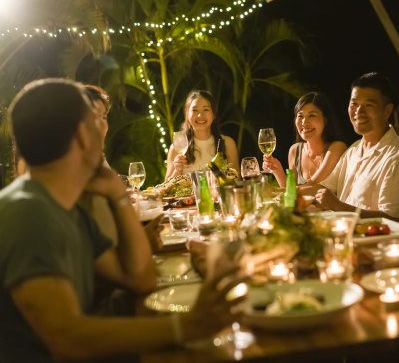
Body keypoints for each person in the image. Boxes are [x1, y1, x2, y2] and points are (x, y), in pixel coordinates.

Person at [0, 79, 245, 361]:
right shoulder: (28, 213)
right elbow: (67, 339)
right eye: (97, 121)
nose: (105, 128)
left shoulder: (66, 207)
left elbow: (140, 279)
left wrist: (117, 196)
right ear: (82, 135)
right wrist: (187, 326)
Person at [299, 72, 399, 224]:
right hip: (346, 239)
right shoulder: (354, 151)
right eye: (354, 104)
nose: (358, 112)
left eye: (368, 105)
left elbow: (396, 220)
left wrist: (338, 206)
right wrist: (287, 196)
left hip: (376, 245)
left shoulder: (398, 159)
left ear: (387, 111)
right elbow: (325, 188)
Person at [262, 92, 347, 187]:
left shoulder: (337, 148)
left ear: (325, 120)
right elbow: (292, 195)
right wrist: (277, 171)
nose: (304, 122)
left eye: (312, 115)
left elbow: (311, 187)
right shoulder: (295, 151)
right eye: (300, 116)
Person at [165, 90, 239, 180]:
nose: (200, 115)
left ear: (214, 113)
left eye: (206, 109)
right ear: (187, 114)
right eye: (195, 110)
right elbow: (166, 186)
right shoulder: (177, 148)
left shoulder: (228, 143)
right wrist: (177, 171)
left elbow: (237, 180)